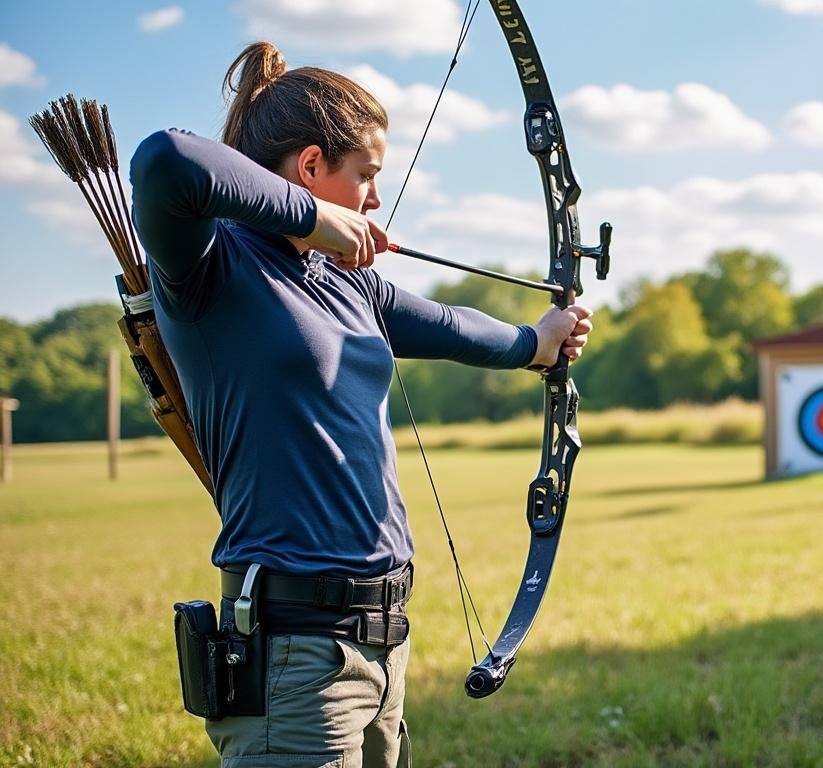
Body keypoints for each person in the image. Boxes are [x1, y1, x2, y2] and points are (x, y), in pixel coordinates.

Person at [130, 41, 592, 767]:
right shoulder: (212, 269)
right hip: (293, 653)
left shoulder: (348, 282)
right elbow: (167, 160)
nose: (375, 200)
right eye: (365, 176)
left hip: (382, 641)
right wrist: (314, 217)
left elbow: (451, 326)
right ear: (312, 167)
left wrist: (537, 342)